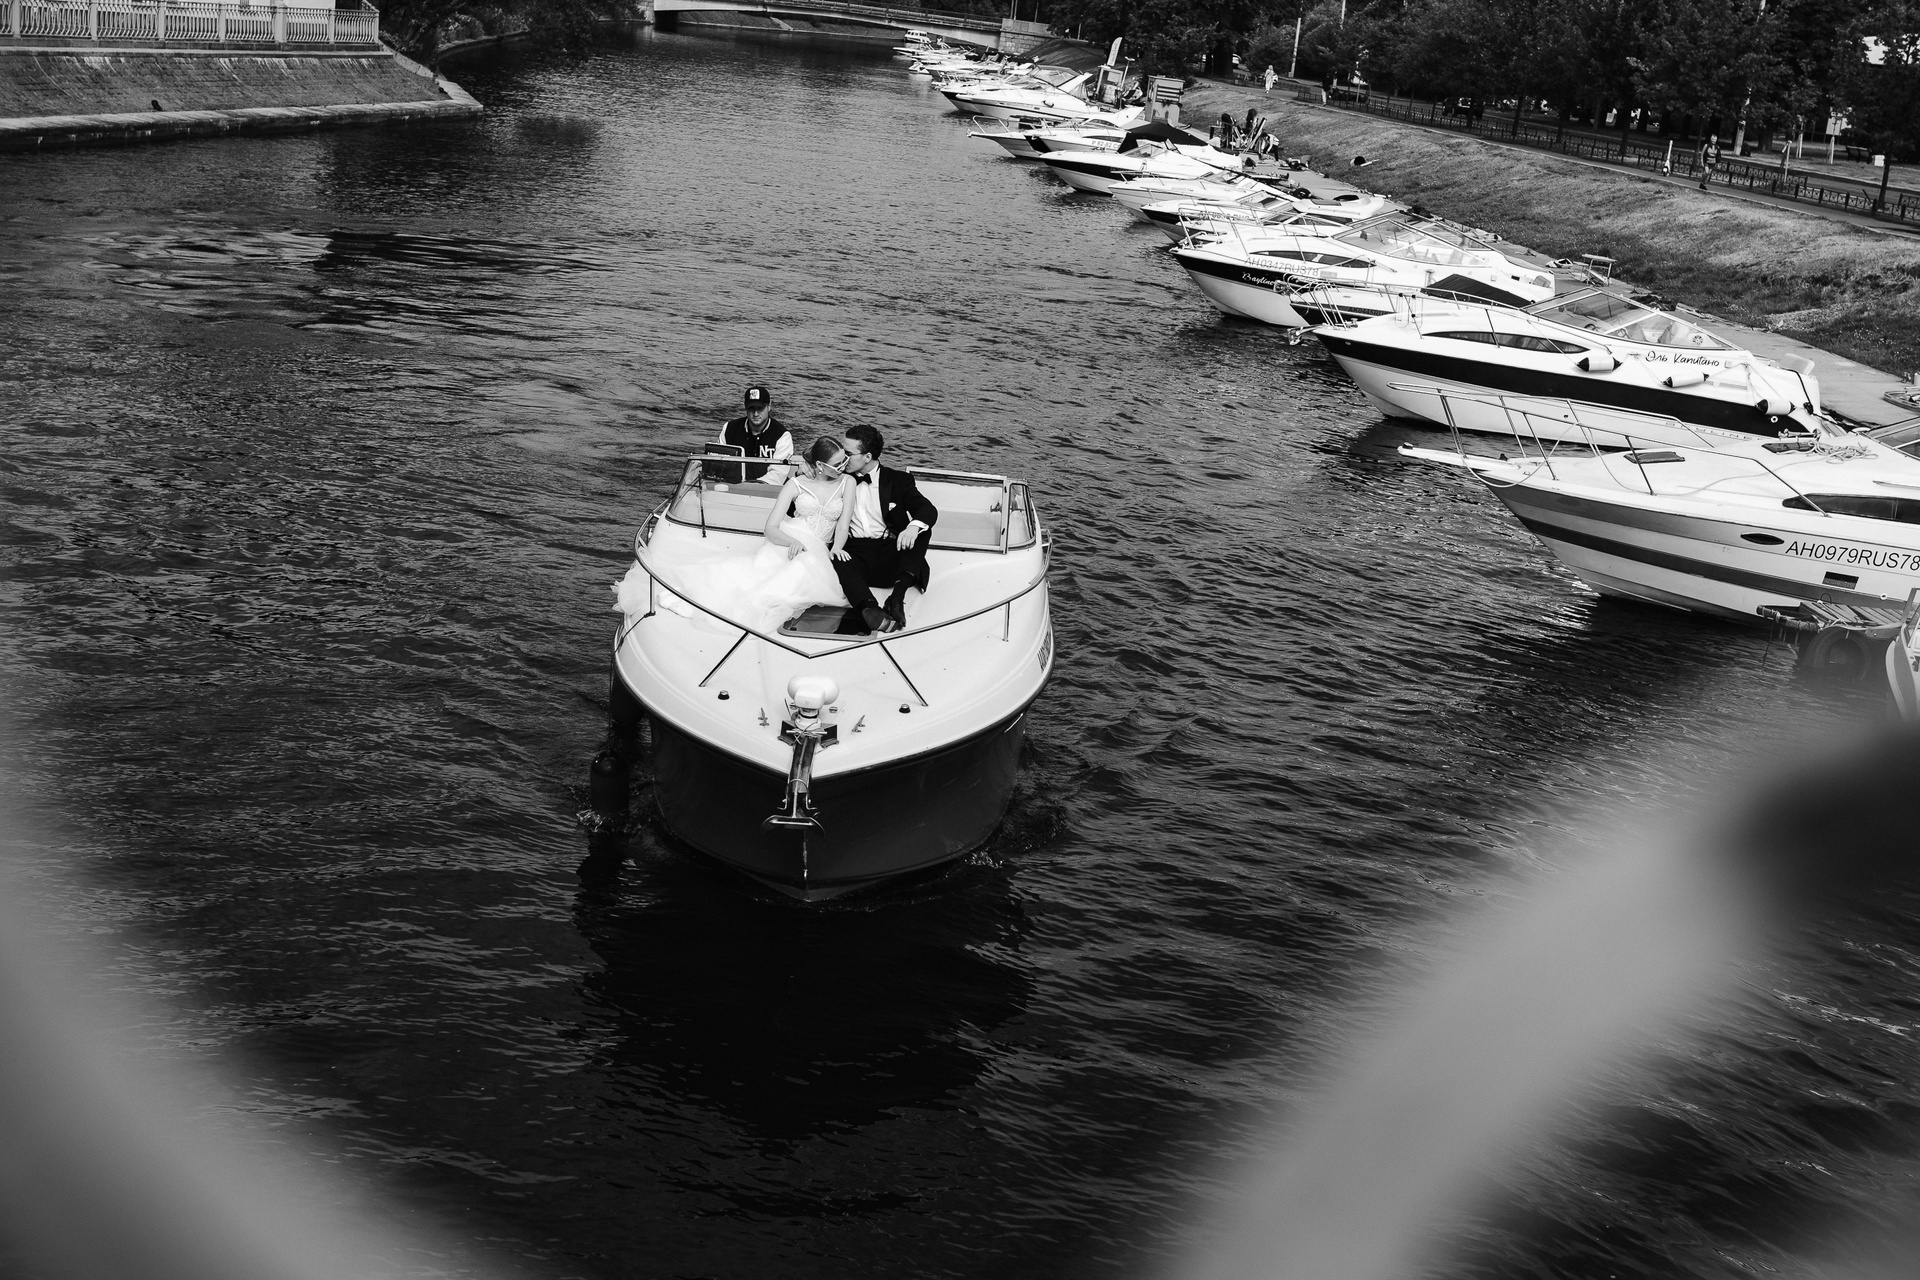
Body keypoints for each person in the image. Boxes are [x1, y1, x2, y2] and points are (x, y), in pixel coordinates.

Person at [638, 436, 853, 632]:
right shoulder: (795, 485)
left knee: (798, 579)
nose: (844, 466)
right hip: (790, 541)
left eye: (845, 460)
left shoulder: (847, 482)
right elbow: (771, 528)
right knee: (762, 585)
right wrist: (792, 542)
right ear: (820, 465)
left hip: (820, 548)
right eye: (838, 464)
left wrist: (836, 548)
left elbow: (843, 525)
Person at [831, 424, 938, 635]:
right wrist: (802, 472)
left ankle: (897, 597)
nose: (843, 458)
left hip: (890, 552)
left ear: (867, 456)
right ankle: (869, 607)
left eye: (848, 454)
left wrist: (912, 528)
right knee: (837, 555)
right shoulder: (835, 477)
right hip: (854, 553)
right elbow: (799, 503)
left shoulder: (898, 481)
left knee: (922, 529)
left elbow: (927, 509)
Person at [716, 384, 793, 483]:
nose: (756, 413)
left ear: (769, 406)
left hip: (767, 488)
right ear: (745, 407)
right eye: (751, 408)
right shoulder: (729, 429)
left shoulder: (782, 435)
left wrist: (752, 485)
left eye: (760, 408)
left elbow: (778, 474)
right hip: (733, 486)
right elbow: (719, 462)